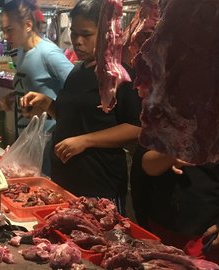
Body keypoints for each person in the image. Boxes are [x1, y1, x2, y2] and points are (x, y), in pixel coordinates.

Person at [20, 0, 142, 213]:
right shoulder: (78, 71)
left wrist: (86, 141)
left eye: (86, 34)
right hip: (65, 182)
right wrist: (47, 103)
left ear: (106, 33)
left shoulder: (120, 75)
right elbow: (73, 119)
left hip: (99, 187)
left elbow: (137, 128)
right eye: (74, 33)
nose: (77, 41)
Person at [131, 91, 219, 269]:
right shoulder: (176, 81)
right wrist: (172, 153)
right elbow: (146, 162)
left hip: (218, 235)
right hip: (162, 225)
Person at [0, 0, 74, 176]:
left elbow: (78, 90)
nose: (4, 36)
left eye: (9, 30)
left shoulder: (48, 53)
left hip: (49, 142)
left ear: (27, 25)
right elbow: (35, 86)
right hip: (28, 138)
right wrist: (13, 97)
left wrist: (49, 106)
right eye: (3, 30)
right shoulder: (20, 52)